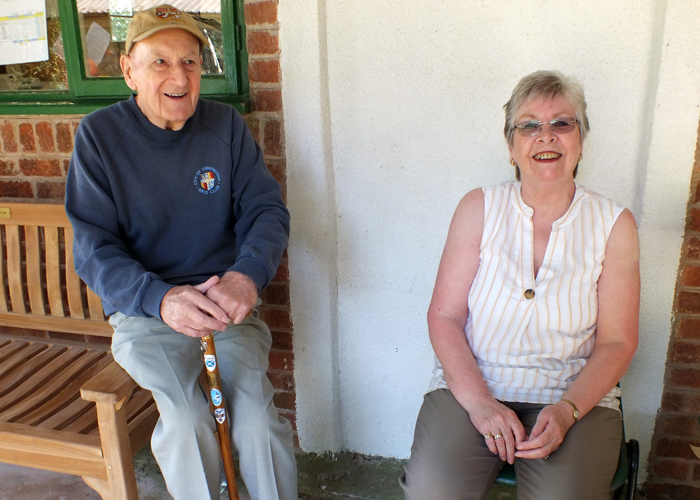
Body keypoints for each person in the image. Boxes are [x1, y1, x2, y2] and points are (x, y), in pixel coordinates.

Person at [65, 5, 296, 500]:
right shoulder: (100, 138)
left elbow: (265, 211)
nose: (179, 76)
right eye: (160, 62)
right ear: (128, 69)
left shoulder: (225, 127)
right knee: (188, 418)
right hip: (146, 311)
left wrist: (245, 277)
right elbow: (94, 248)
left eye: (190, 62)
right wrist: (161, 298)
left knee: (254, 415)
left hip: (223, 305)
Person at [400, 70, 639, 500]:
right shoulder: (479, 209)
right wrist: (478, 403)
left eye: (561, 124)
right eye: (529, 125)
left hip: (574, 395)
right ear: (511, 147)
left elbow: (618, 342)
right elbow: (445, 316)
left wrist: (567, 411)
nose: (545, 136)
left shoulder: (613, 224)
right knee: (433, 489)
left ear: (581, 140)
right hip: (475, 384)